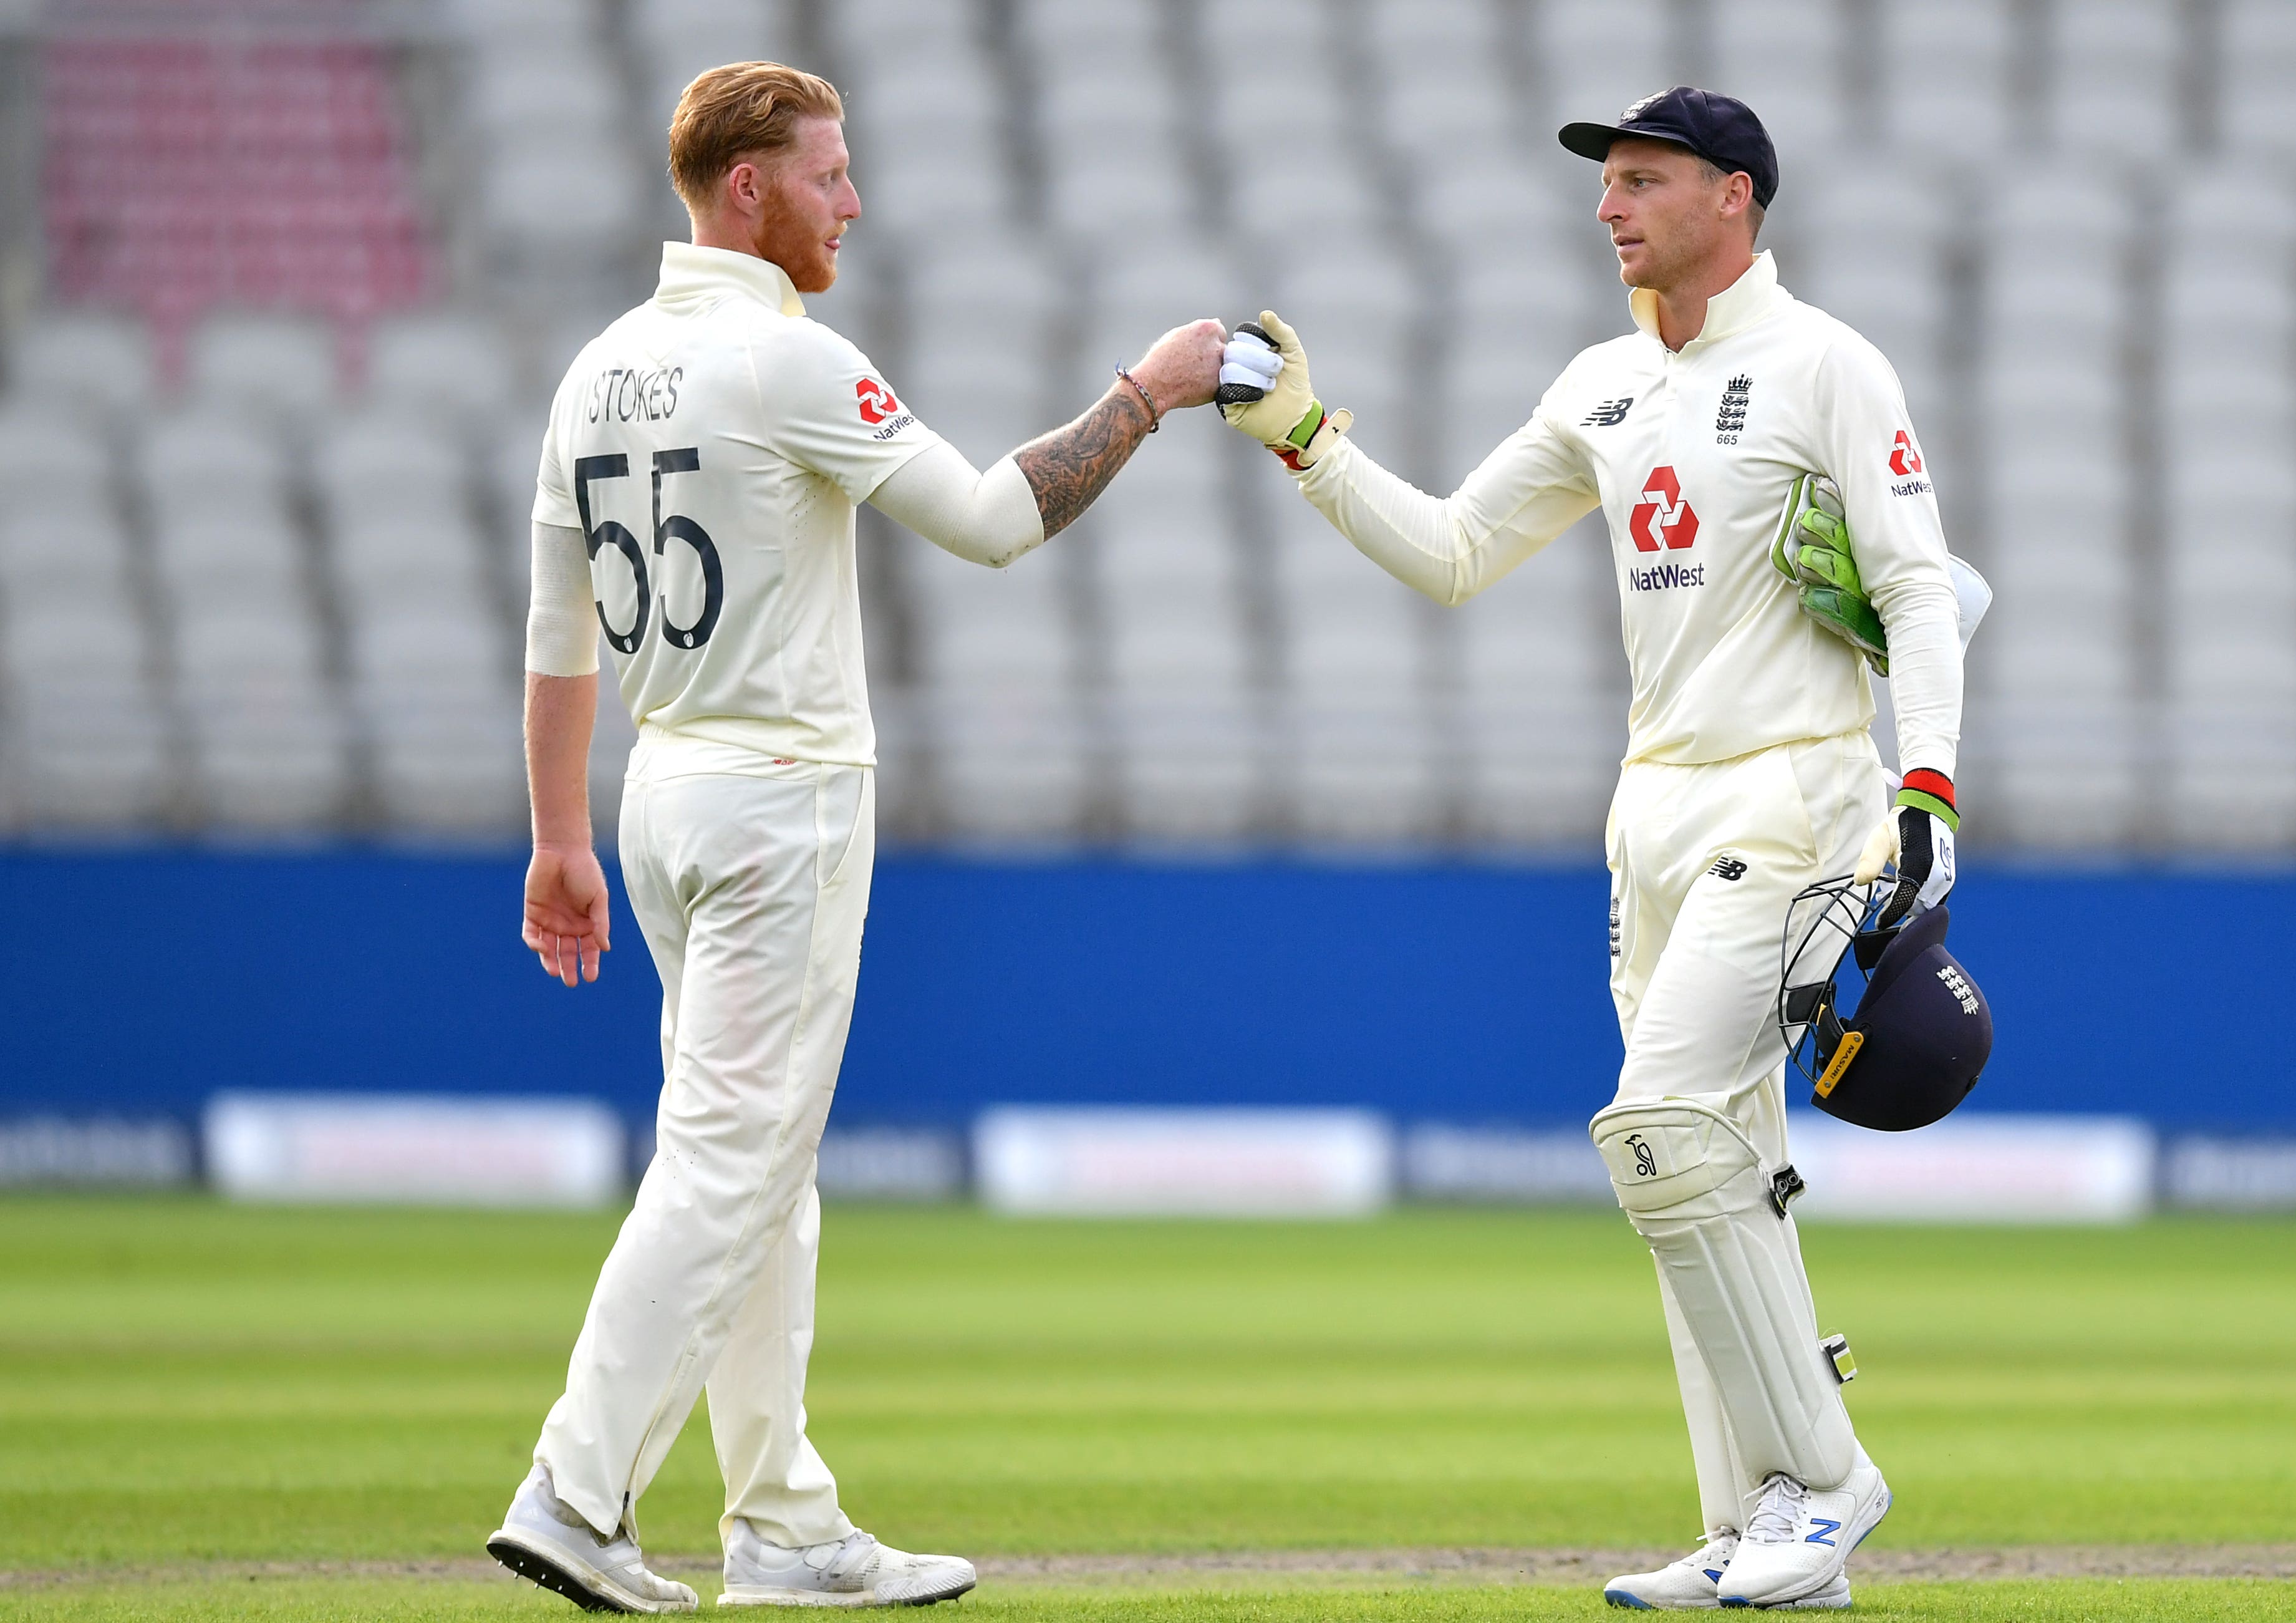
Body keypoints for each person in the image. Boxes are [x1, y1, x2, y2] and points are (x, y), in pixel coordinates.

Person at [490, 61, 1224, 1613]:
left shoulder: (597, 370)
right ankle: (574, 1486)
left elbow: (558, 641)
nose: (854, 200)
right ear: (745, 188)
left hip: (658, 797)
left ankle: (781, 1522)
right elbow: (991, 518)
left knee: (766, 1165)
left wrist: (557, 836)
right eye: (828, 174)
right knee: (728, 1155)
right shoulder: (779, 358)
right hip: (778, 798)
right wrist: (1146, 392)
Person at [1217, 88, 1964, 1611]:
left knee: (1657, 1127)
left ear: (1734, 197)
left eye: (1643, 180)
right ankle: (1750, 1524)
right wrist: (1302, 436)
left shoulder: (1825, 362)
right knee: (1720, 1167)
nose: (1609, 207)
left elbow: (1917, 590)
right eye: (1605, 183)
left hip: (1795, 799)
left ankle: (1826, 1481)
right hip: (1650, 812)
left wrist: (1928, 798)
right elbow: (1453, 551)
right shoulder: (1602, 384)